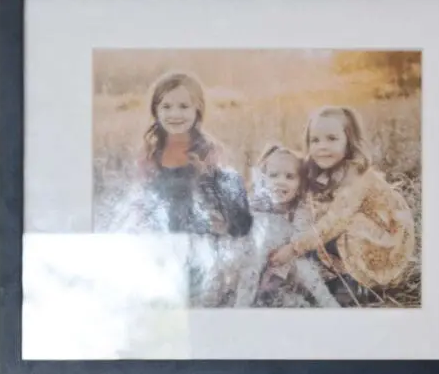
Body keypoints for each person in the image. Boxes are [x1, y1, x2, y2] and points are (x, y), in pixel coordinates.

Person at [115, 70, 252, 303]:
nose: (174, 114)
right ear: (155, 110)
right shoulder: (149, 152)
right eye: (166, 107)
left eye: (183, 106)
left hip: (201, 237)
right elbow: (141, 200)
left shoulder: (208, 151)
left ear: (197, 109)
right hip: (162, 239)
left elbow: (225, 204)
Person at [266, 105, 416, 302]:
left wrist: (293, 248)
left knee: (337, 226)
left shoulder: (356, 176)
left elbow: (334, 223)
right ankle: (334, 274)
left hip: (387, 241)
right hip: (362, 232)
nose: (322, 147)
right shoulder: (326, 169)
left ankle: (362, 283)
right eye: (315, 140)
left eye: (332, 139)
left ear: (349, 142)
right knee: (315, 219)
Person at [234, 144, 339, 309]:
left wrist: (286, 253)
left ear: (300, 185)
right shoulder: (257, 204)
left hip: (288, 262)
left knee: (304, 267)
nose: (280, 182)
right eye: (273, 175)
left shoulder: (300, 210)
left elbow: (300, 239)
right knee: (251, 265)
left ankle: (328, 304)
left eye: (290, 177)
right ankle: (241, 308)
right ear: (263, 179)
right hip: (259, 263)